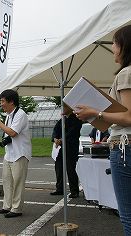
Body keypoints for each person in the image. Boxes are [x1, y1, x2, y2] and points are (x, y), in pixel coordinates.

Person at [74, 25, 131, 235]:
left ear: (125, 46)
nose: (113, 48)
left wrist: (96, 112)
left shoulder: (126, 73)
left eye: (115, 43)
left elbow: (128, 117)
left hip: (125, 149)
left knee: (128, 214)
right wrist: (93, 114)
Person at [0, 89, 31, 218]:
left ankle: (16, 208)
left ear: (11, 101)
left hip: (20, 154)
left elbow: (13, 133)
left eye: (3, 101)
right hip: (9, 154)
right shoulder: (9, 115)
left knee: (18, 182)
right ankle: (7, 206)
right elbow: (9, 134)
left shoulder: (21, 114)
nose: (1, 104)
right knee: (7, 181)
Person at [50, 114, 82, 198]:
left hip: (70, 147)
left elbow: (72, 132)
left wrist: (61, 139)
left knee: (70, 168)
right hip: (60, 148)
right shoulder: (62, 119)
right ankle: (59, 188)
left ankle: (74, 190)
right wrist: (55, 138)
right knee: (59, 168)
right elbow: (55, 130)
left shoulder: (76, 119)